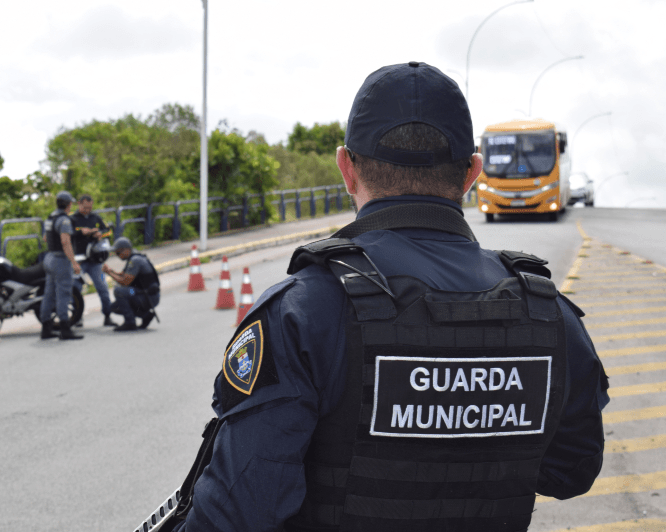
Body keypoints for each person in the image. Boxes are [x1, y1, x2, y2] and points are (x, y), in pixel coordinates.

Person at [172, 63, 609, 531]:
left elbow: (238, 511)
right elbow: (570, 472)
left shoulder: (304, 311)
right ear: (472, 174)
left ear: (346, 168)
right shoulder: (548, 311)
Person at [40, 191, 83, 340]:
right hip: (60, 260)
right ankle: (65, 329)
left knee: (49, 294)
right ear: (69, 204)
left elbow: (46, 238)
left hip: (49, 257)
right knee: (64, 294)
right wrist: (74, 262)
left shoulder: (51, 217)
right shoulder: (64, 220)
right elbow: (65, 242)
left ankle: (46, 328)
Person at [70, 194, 116, 327]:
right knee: (76, 288)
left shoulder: (95, 217)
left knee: (102, 287)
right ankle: (77, 317)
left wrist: (100, 233)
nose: (88, 210)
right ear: (79, 204)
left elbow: (108, 231)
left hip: (95, 259)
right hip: (79, 259)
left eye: (90, 207)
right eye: (85, 207)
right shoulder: (72, 219)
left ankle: (107, 315)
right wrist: (81, 232)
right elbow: (68, 234)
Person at [102, 237, 160, 332]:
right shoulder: (133, 258)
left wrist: (109, 274)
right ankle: (146, 315)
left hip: (146, 295)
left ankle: (130, 322)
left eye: (118, 252)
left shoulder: (135, 260)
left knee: (119, 291)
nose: (117, 255)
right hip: (141, 292)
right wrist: (111, 271)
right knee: (114, 307)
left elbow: (125, 282)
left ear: (127, 250)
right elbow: (124, 275)